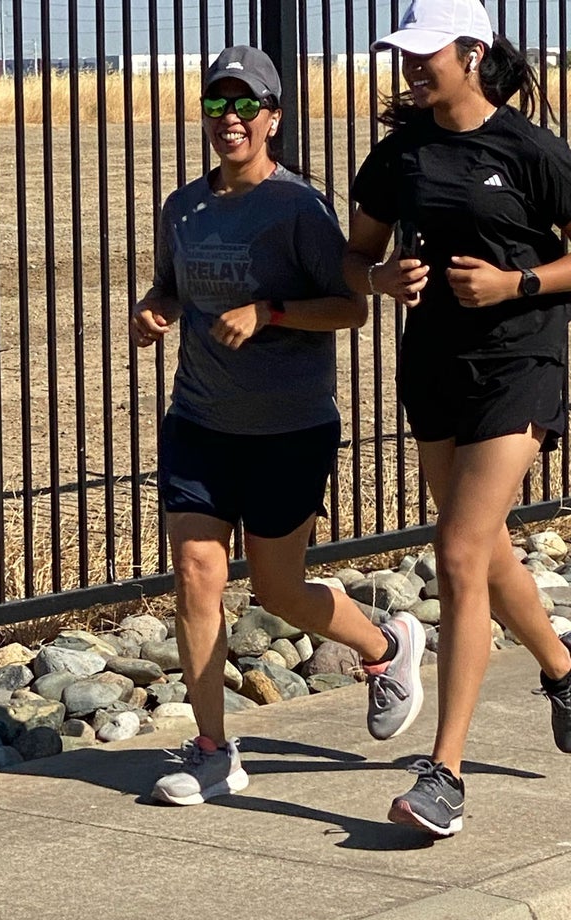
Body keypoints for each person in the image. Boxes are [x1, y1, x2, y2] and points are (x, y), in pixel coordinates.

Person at [131, 44, 427, 806]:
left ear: (273, 117)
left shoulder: (299, 207)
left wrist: (268, 313)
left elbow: (352, 307)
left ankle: (386, 645)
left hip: (289, 428)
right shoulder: (183, 208)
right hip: (199, 420)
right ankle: (211, 751)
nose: (228, 118)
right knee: (196, 574)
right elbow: (171, 287)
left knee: (278, 588)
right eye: (216, 103)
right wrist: (155, 311)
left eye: (245, 104)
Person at [344, 0, 571, 837]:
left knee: (460, 550)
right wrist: (379, 281)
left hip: (521, 361)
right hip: (434, 367)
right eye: (403, 53)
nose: (411, 67)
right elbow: (355, 252)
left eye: (426, 52)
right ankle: (564, 671)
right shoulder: (399, 154)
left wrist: (518, 284)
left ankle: (445, 774)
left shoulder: (531, 150)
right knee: (482, 546)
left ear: (472, 53)